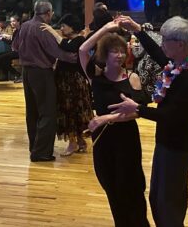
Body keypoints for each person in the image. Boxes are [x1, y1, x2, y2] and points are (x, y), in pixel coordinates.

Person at [109, 15, 188, 227]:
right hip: (168, 143)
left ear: (179, 44)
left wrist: (138, 109)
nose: (162, 44)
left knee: (167, 202)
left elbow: (174, 116)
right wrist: (137, 30)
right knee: (162, 198)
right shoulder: (180, 63)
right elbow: (157, 53)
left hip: (179, 146)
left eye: (165, 40)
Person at [80, 20, 149, 227]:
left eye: (122, 51)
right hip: (103, 139)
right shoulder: (97, 78)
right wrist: (106, 29)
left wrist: (106, 118)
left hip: (126, 137)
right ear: (104, 54)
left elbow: (137, 112)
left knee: (131, 186)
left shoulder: (132, 78)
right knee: (110, 184)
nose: (119, 55)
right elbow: (83, 50)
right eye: (114, 52)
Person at [12, 0, 77, 162]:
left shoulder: (25, 25)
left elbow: (15, 46)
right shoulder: (42, 28)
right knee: (47, 112)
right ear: (48, 13)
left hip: (26, 72)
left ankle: (34, 146)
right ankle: (41, 152)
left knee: (32, 111)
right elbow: (57, 52)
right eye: (52, 13)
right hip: (41, 72)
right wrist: (76, 57)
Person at [41, 14, 93, 156]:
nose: (62, 28)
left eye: (64, 26)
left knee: (71, 111)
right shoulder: (71, 40)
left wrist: (52, 31)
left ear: (72, 27)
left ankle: (73, 143)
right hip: (66, 80)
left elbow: (68, 48)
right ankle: (80, 142)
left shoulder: (79, 39)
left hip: (72, 82)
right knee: (72, 111)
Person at [0, 15, 21, 82]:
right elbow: (11, 42)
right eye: (11, 21)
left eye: (14, 21)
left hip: (20, 51)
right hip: (15, 50)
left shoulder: (21, 30)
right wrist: (1, 38)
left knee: (1, 57)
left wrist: (1, 37)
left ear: (18, 22)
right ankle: (5, 75)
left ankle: (18, 74)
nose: (12, 23)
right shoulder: (15, 30)